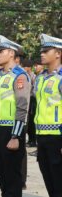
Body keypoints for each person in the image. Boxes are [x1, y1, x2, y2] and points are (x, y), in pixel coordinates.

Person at [0, 35, 31, 197]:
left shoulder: (19, 75)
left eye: (1, 51)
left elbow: (22, 107)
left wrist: (16, 135)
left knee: (12, 176)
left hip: (11, 130)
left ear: (12, 53)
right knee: (1, 174)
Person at [34, 34, 62, 197]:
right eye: (41, 51)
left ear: (58, 53)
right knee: (49, 179)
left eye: (46, 50)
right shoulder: (41, 78)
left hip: (57, 136)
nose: (42, 54)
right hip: (42, 135)